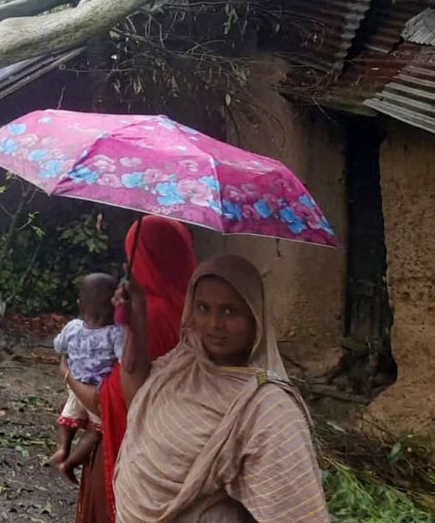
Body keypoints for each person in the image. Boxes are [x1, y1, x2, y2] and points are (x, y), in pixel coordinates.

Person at [110, 254, 329, 522]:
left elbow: (296, 513)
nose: (214, 324)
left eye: (229, 311)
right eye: (203, 308)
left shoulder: (267, 407)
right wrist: (136, 321)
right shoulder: (184, 362)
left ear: (254, 316)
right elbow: (138, 400)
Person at [66, 215, 197, 523]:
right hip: (178, 456)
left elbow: (108, 399)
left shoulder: (146, 318)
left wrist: (68, 374)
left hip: (132, 456)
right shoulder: (196, 313)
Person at [51, 273, 123, 483]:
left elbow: (58, 346)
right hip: (97, 391)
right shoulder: (115, 333)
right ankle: (70, 463)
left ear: (80, 304)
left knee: (67, 419)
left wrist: (68, 356)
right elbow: (125, 359)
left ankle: (63, 448)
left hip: (74, 386)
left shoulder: (73, 327)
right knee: (95, 432)